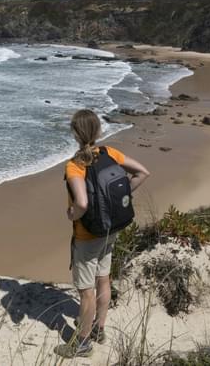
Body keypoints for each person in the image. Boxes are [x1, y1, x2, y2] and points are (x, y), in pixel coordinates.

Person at [54, 109, 151, 358]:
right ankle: (99, 329)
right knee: (104, 279)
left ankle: (83, 343)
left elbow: (83, 203)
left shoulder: (75, 165)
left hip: (87, 237)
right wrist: (122, 198)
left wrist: (71, 215)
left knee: (86, 291)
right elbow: (142, 173)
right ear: (98, 131)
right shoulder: (110, 153)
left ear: (75, 134)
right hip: (111, 229)